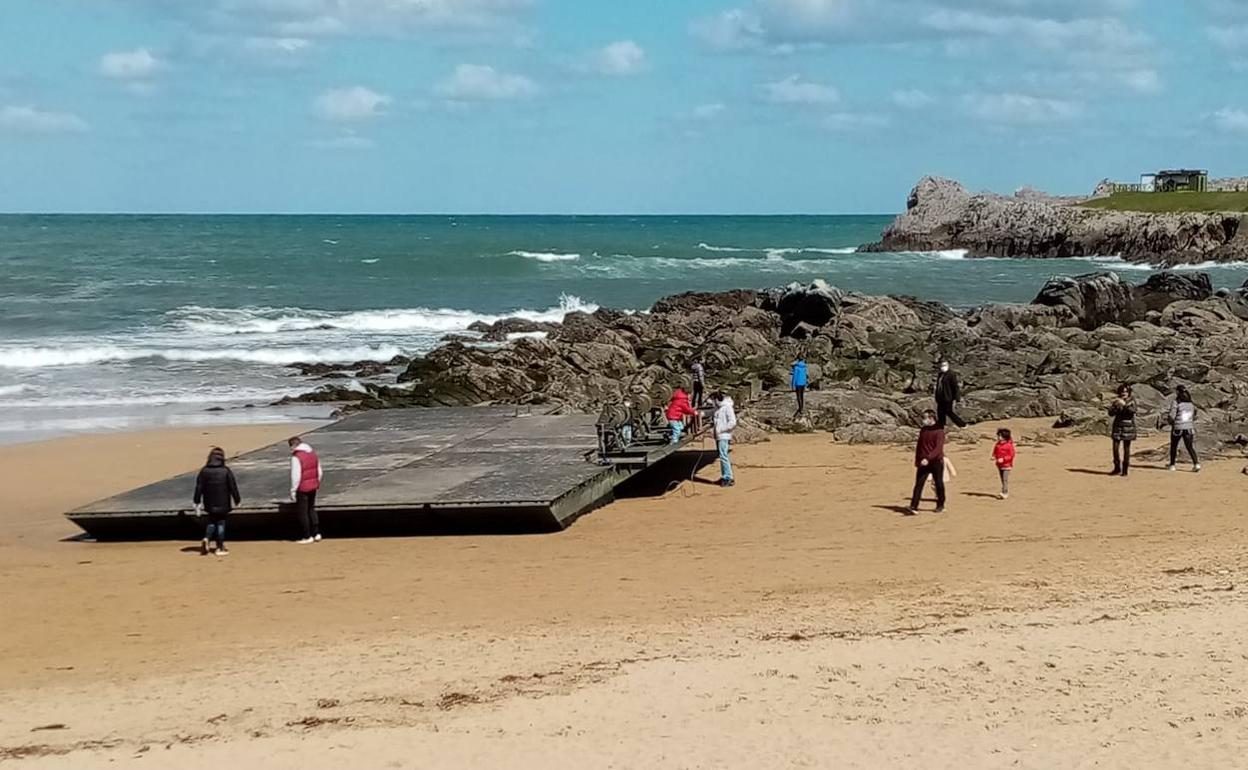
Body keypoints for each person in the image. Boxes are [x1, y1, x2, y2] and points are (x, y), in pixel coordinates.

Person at [193, 447, 240, 556]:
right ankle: (220, 546)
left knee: (211, 521)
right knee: (221, 523)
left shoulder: (204, 471)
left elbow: (199, 487)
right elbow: (233, 486)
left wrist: (197, 501)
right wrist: (237, 500)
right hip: (223, 502)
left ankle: (207, 538)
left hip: (209, 502)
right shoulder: (226, 471)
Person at [909, 410, 946, 514]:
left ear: (931, 418)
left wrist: (928, 458)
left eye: (925, 418)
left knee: (939, 483)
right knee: (919, 484)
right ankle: (913, 506)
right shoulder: (923, 430)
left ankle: (941, 505)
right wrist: (917, 459)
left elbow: (938, 448)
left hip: (936, 462)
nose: (923, 420)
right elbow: (919, 446)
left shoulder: (939, 431)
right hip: (922, 462)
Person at [289, 436, 323, 544]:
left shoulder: (296, 457)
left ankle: (307, 536)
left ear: (293, 445)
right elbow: (319, 470)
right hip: (313, 485)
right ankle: (317, 533)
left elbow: (296, 475)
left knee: (303, 512)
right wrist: (317, 481)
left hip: (302, 487)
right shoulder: (312, 453)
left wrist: (293, 490)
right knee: (311, 508)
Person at [1166, 385, 1201, 472]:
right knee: (1189, 446)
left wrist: (1170, 421)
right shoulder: (1191, 404)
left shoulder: (1176, 402)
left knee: (1174, 446)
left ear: (1177, 392)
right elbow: (1194, 415)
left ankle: (1172, 464)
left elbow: (1172, 415)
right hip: (1189, 427)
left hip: (1178, 427)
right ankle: (1196, 463)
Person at [1108, 383, 1137, 477]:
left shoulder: (1132, 401)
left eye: (1126, 391)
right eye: (1122, 391)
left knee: (1126, 449)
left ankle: (1125, 469)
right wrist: (1115, 406)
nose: (1124, 393)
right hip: (1117, 427)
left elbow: (1132, 411)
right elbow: (1110, 413)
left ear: (1129, 392)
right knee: (1115, 448)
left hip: (1128, 427)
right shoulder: (1117, 401)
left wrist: (1124, 405)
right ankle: (1117, 467)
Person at [712, 390, 737, 487]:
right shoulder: (718, 408)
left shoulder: (727, 407)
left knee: (723, 456)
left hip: (724, 435)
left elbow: (732, 422)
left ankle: (728, 477)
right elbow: (711, 412)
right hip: (719, 436)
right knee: (722, 455)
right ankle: (725, 476)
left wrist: (721, 429)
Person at [934, 360, 966, 429]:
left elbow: (955, 386)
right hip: (940, 397)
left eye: (944, 365)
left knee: (948, 411)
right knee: (940, 412)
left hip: (948, 397)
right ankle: (941, 426)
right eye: (942, 365)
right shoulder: (940, 375)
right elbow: (938, 385)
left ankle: (962, 424)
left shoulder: (951, 374)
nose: (943, 367)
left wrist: (957, 398)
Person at [992, 427, 1016, 500]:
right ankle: (1004, 491)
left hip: (1007, 465)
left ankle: (1005, 493)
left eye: (1000, 436)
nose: (999, 437)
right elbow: (995, 451)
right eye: (998, 436)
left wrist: (1003, 459)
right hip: (999, 465)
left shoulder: (1009, 445)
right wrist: (993, 456)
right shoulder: (998, 444)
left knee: (1005, 479)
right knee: (1002, 479)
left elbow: (1011, 455)